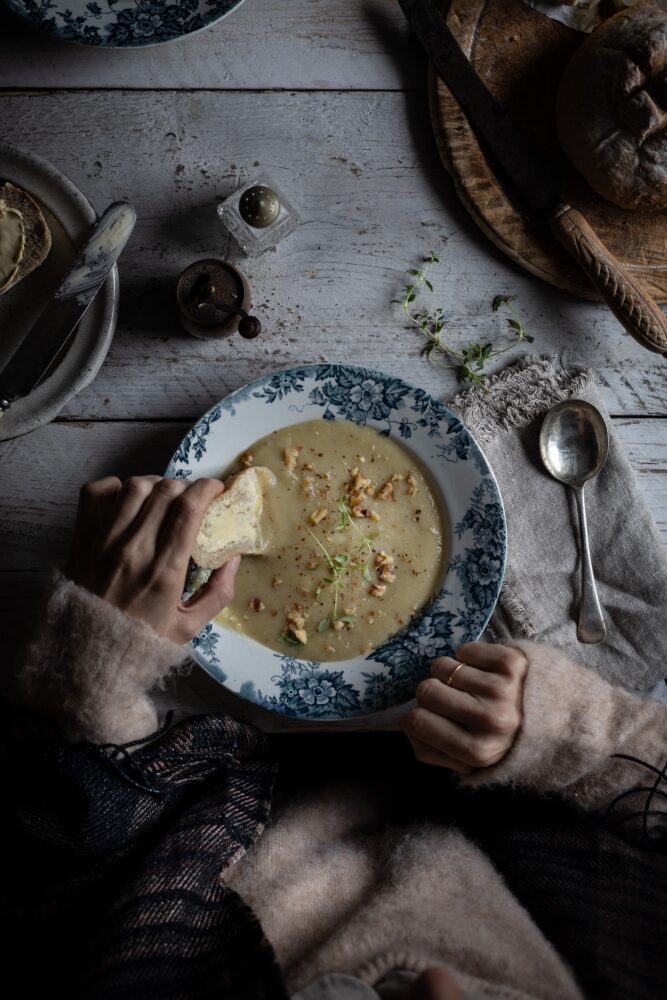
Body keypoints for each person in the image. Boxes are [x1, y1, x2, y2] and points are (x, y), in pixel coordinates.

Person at [3, 475, 666, 1000]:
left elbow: (43, 878)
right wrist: (568, 733)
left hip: (195, 790)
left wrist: (86, 680)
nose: (439, 985)